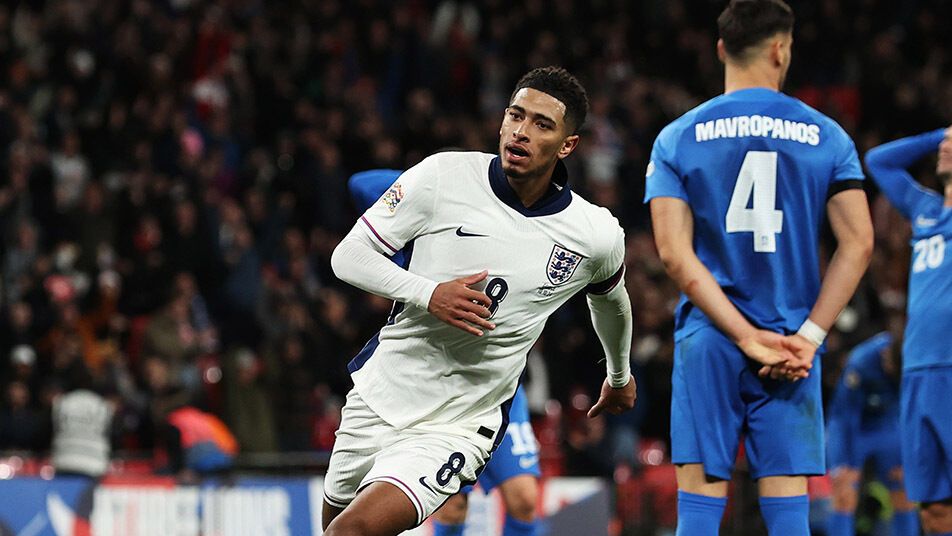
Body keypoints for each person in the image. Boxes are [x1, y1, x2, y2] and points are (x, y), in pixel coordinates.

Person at [323, 66, 636, 536]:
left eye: (542, 124)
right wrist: (429, 293)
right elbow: (347, 257)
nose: (521, 132)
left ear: (568, 145)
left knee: (351, 532)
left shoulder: (594, 234)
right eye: (516, 115)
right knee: (332, 527)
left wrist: (618, 374)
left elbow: (611, 302)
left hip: (462, 422)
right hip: (380, 394)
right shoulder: (443, 176)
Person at [644, 1, 874, 534]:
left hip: (709, 337)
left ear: (722, 48)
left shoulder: (677, 136)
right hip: (790, 342)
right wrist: (810, 338)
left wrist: (743, 336)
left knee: (698, 513)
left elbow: (676, 255)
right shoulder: (828, 136)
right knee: (789, 517)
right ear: (780, 48)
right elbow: (859, 243)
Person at [348, 168, 542, 535]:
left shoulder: (501, 228)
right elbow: (359, 183)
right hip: (431, 385)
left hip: (494, 385)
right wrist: (436, 182)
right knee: (450, 505)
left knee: (525, 499)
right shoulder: (419, 238)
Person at [864, 126, 952, 535]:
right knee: (932, 505)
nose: (947, 149)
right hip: (917, 372)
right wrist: (939, 135)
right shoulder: (926, 209)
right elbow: (879, 160)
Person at [825, 325, 919, 536]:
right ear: (885, 355)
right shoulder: (861, 360)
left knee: (904, 492)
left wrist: (910, 457)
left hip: (889, 425)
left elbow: (913, 410)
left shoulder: (914, 360)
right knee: (844, 494)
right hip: (856, 430)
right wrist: (842, 463)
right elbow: (844, 415)